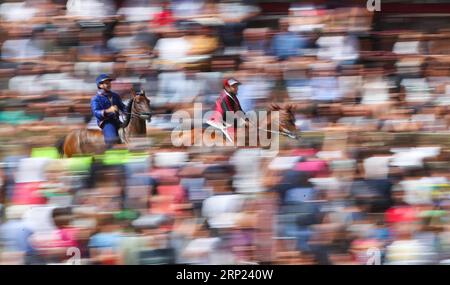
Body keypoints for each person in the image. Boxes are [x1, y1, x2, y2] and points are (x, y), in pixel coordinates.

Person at [90, 74, 126, 147]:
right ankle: (111, 152)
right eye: (106, 83)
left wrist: (133, 110)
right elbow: (96, 112)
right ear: (100, 85)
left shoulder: (115, 96)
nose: (109, 84)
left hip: (117, 121)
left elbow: (123, 107)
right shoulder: (96, 98)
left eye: (109, 82)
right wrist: (108, 110)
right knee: (112, 139)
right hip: (106, 122)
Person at [206, 78, 247, 142]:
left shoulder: (233, 97)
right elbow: (230, 115)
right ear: (227, 87)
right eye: (234, 86)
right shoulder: (224, 98)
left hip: (227, 122)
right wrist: (244, 121)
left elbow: (240, 111)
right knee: (236, 142)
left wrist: (247, 120)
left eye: (236, 86)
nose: (236, 88)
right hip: (220, 123)